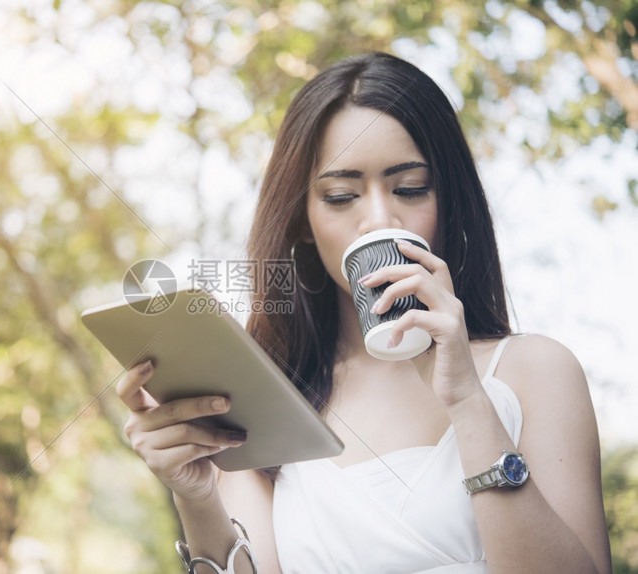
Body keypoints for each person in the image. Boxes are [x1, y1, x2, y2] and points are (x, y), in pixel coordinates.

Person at [115, 52, 612, 573]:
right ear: (303, 221)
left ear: (450, 200)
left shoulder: (535, 371)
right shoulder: (266, 404)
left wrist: (467, 400)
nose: (378, 218)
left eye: (410, 188)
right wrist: (197, 500)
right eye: (340, 195)